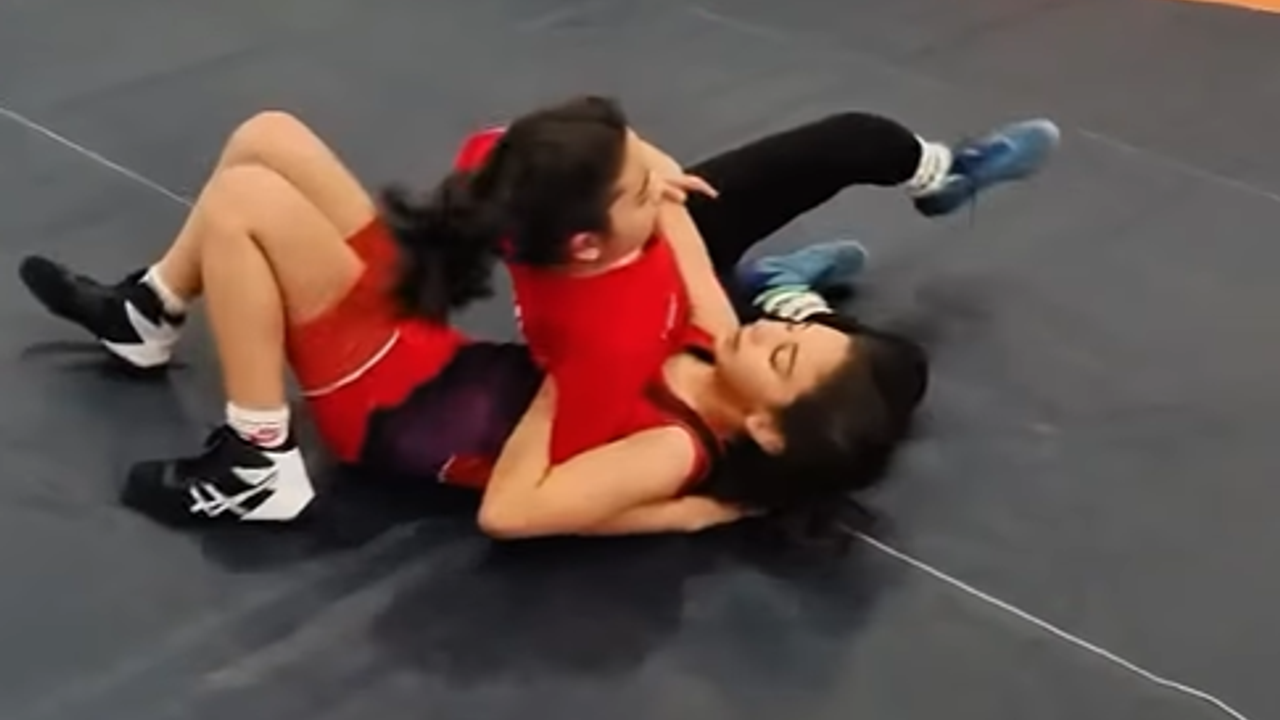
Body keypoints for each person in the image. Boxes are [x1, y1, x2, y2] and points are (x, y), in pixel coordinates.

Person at [17, 99, 1053, 541]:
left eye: (780, 354)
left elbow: (512, 512)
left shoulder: (671, 449)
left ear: (767, 431)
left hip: (385, 404)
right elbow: (686, 245)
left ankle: (257, 461)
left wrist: (679, 492)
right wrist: (645, 170)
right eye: (787, 326)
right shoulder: (713, 347)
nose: (761, 332)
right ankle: (150, 313)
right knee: (270, 137)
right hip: (428, 349)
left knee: (248, 206)